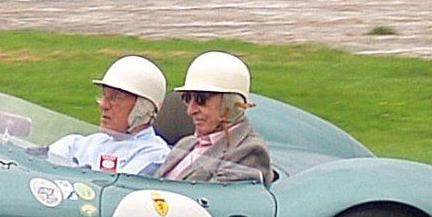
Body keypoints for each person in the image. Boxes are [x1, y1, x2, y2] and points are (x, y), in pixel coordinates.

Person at [157, 51, 274, 183]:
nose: (190, 111)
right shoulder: (185, 144)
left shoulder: (249, 151)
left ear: (230, 103)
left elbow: (217, 200)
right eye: (187, 98)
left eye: (201, 100)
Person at [46, 55, 172, 176]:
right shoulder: (83, 143)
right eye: (104, 96)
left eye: (115, 98)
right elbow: (38, 161)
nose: (103, 105)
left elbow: (115, 191)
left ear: (143, 108)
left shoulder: (154, 156)